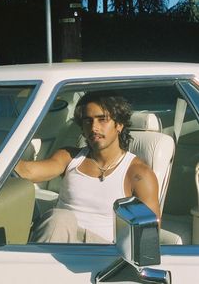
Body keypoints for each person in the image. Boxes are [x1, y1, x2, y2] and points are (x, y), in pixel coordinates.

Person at [15, 91, 160, 243]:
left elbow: (148, 237)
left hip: (101, 255)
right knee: (57, 218)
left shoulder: (138, 174)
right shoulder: (69, 157)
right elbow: (28, 172)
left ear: (119, 125)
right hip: (59, 238)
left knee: (59, 218)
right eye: (88, 121)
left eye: (102, 119)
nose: (94, 128)